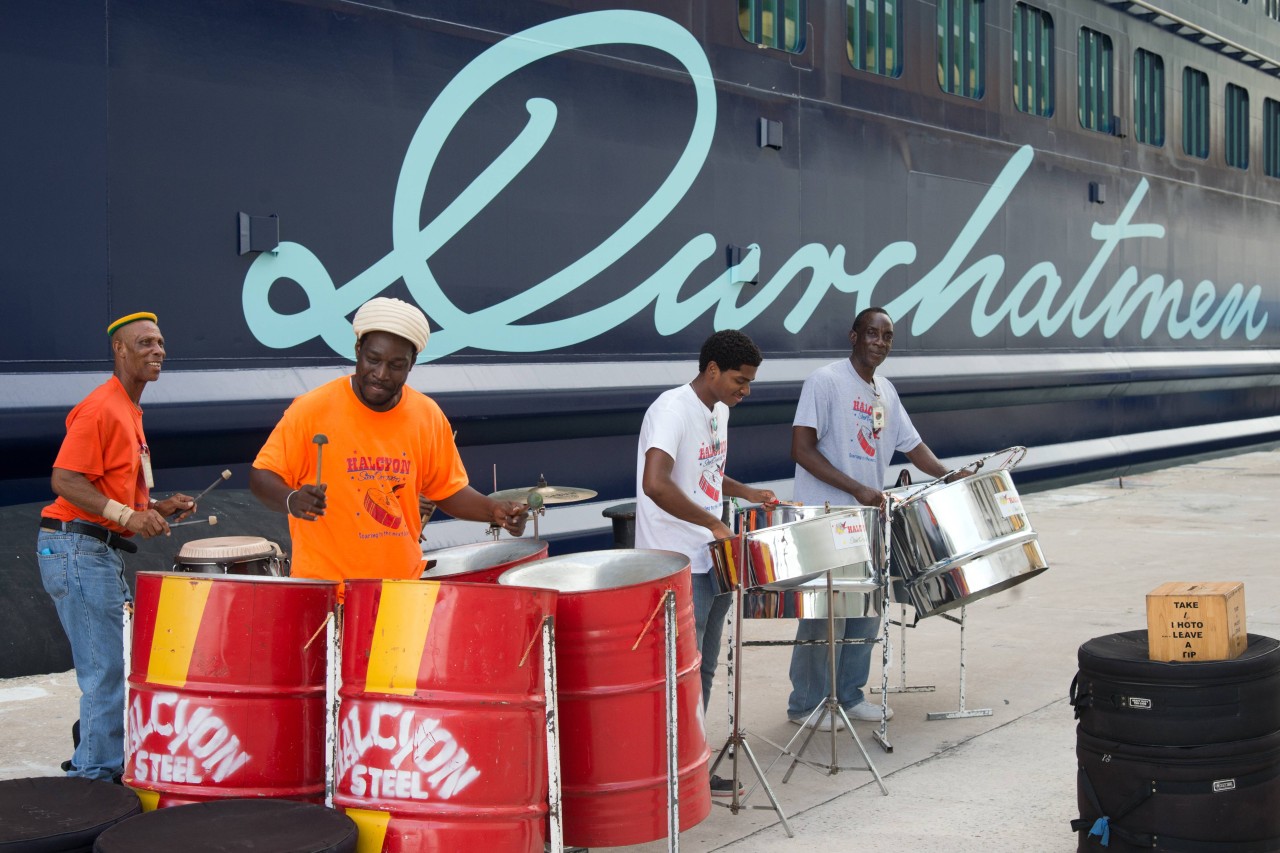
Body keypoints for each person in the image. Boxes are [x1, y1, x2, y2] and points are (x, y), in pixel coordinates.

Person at [250, 297, 526, 586]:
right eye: (373, 360)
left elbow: (447, 490)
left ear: (412, 364)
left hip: (400, 589)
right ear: (358, 350)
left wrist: (493, 511)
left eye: (396, 365)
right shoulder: (311, 409)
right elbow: (262, 475)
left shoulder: (426, 415)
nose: (380, 375)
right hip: (325, 589)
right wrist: (292, 499)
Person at [787, 307, 964, 731]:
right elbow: (801, 449)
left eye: (887, 336)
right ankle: (806, 703)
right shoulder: (825, 381)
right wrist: (856, 488)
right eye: (872, 333)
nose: (880, 342)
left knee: (866, 607)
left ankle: (849, 696)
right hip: (825, 516)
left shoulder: (885, 391)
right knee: (824, 612)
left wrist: (951, 475)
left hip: (868, 518)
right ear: (853, 336)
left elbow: (913, 445)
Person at [37, 311, 196, 781]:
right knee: (105, 672)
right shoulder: (103, 407)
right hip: (77, 549)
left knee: (111, 668)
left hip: (93, 550)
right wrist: (129, 516)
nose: (158, 351)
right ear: (119, 351)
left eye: (162, 342)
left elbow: (108, 486)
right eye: (145, 342)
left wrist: (156, 507)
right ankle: (91, 780)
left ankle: (95, 761)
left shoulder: (129, 408)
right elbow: (64, 479)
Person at [634, 329, 777, 795]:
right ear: (712, 370)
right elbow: (655, 482)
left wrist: (746, 492)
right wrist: (713, 525)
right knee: (678, 669)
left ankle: (690, 761)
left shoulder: (719, 410)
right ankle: (666, 770)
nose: (746, 391)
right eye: (740, 380)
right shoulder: (672, 409)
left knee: (706, 666)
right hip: (677, 560)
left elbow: (704, 473)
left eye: (750, 382)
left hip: (711, 556)